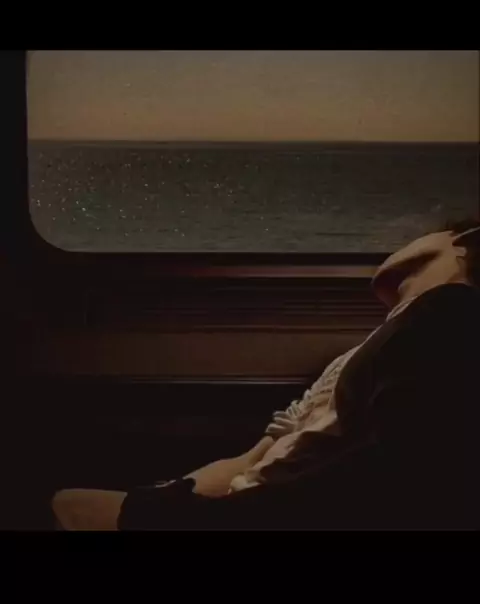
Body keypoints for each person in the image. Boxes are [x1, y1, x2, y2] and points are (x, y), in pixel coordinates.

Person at [52, 218, 480, 531]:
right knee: (71, 504)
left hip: (267, 517)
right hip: (252, 500)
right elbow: (262, 458)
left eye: (431, 231)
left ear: (463, 241)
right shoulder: (382, 341)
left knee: (63, 508)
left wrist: (195, 518)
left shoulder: (448, 313)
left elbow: (388, 473)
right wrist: (171, 495)